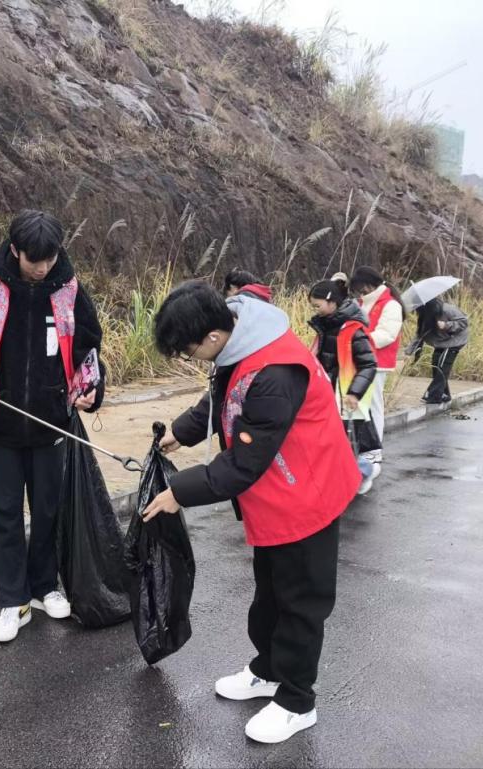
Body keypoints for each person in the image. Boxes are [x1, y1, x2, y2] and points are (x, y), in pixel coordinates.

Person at [142, 281, 360, 745]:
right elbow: (221, 396)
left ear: (212, 336)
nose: (190, 359)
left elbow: (243, 462)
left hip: (307, 493)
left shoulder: (276, 372)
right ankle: (268, 670)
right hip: (276, 492)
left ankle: (297, 702)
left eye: (188, 351)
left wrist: (178, 492)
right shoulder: (238, 338)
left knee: (300, 603)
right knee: (270, 595)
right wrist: (182, 431)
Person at [0, 209, 105, 643]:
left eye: (50, 258)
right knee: (5, 513)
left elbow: (88, 346)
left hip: (51, 423)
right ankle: (13, 601)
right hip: (1, 425)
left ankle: (45, 587)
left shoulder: (68, 291)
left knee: (48, 510)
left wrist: (90, 388)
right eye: (35, 260)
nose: (43, 268)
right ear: (15, 251)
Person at [308, 280, 380, 494]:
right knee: (334, 442)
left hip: (345, 396)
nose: (315, 310)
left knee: (346, 442)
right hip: (327, 393)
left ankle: (364, 472)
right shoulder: (325, 325)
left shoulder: (352, 330)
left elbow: (369, 364)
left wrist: (354, 393)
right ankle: (341, 481)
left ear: (332, 302)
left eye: (317, 305)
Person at [348, 266, 406, 464]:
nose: (359, 293)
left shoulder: (391, 305)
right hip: (361, 360)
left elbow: (387, 335)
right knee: (362, 405)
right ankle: (363, 447)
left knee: (373, 406)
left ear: (369, 285)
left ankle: (374, 449)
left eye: (361, 288)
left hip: (377, 362)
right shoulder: (364, 302)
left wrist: (360, 341)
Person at [408, 297, 469, 404]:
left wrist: (446, 325)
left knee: (442, 367)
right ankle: (444, 395)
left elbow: (464, 322)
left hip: (454, 341)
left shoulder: (447, 309)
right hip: (441, 342)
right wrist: (409, 351)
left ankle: (433, 396)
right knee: (436, 366)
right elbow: (420, 335)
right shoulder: (426, 315)